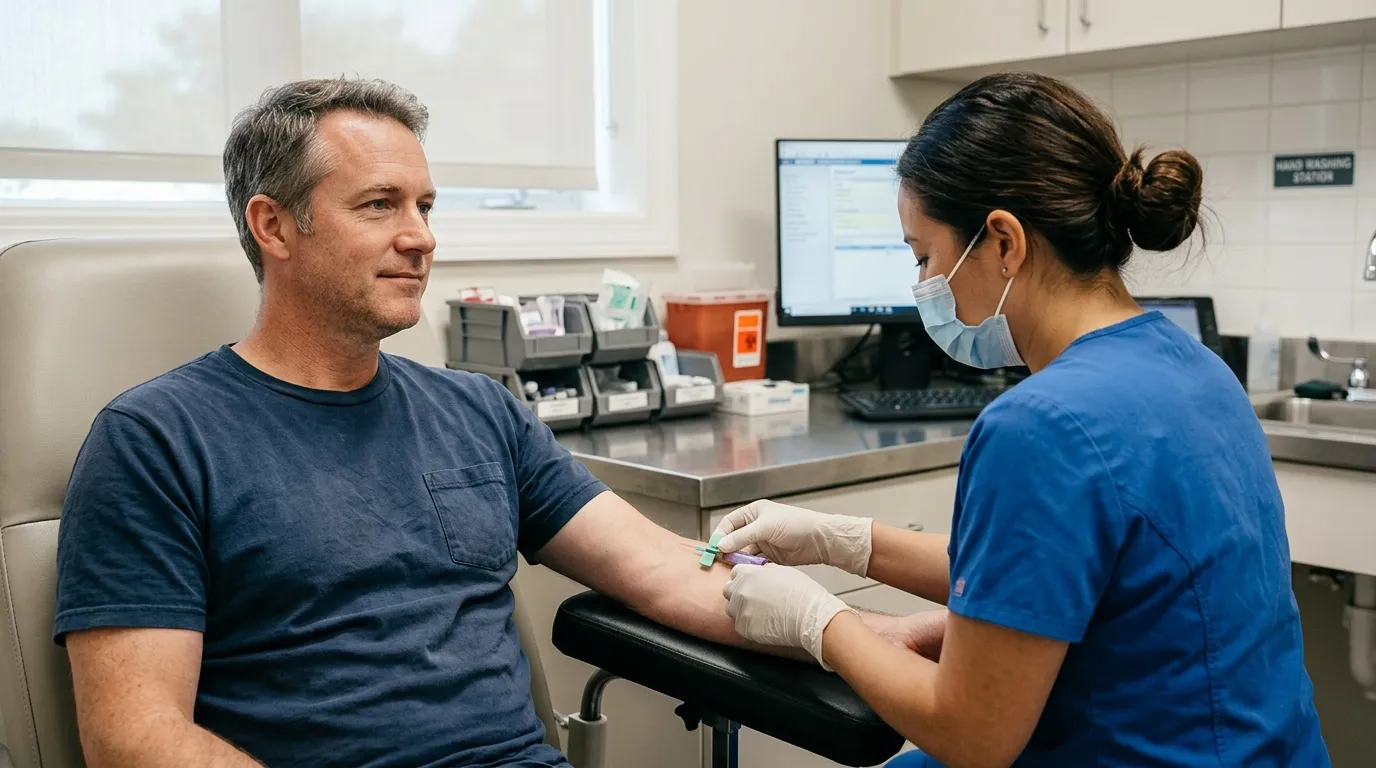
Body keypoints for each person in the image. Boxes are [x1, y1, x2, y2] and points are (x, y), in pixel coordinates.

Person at [51, 78, 939, 768]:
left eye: (426, 206)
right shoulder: (158, 440)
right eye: (379, 205)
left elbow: (670, 570)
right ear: (274, 227)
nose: (422, 236)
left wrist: (852, 637)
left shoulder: (474, 410)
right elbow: (137, 740)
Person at [715, 72, 1331, 768]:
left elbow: (974, 736)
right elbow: (1044, 567)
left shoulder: (1041, 424)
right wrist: (838, 540)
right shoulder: (1194, 368)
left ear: (1004, 241)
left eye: (925, 256)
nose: (921, 285)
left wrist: (819, 623)